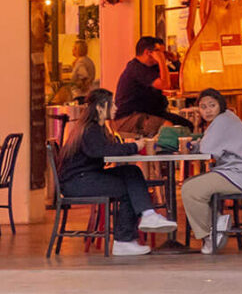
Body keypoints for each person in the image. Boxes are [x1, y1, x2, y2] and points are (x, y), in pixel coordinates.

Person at [57, 87, 177, 257]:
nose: (115, 108)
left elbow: (105, 149)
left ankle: (148, 214)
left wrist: (129, 147)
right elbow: (102, 151)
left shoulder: (92, 127)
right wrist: (134, 146)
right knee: (127, 188)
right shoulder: (90, 129)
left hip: (84, 177)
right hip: (77, 182)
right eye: (111, 104)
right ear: (100, 108)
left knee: (132, 171)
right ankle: (124, 241)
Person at [178, 88, 242, 255]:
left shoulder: (222, 121)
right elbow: (210, 146)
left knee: (190, 189)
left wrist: (195, 141)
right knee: (192, 185)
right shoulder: (226, 119)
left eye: (212, 105)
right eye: (203, 107)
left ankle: (211, 231)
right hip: (241, 172)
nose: (208, 110)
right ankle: (215, 225)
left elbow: (207, 149)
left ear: (221, 105)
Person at [113, 37, 188, 134]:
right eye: (160, 53)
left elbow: (181, 78)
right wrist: (161, 61)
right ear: (148, 52)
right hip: (130, 117)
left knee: (186, 126)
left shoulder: (153, 67)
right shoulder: (136, 68)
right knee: (169, 129)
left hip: (153, 113)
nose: (164, 56)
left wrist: (175, 61)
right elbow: (165, 84)